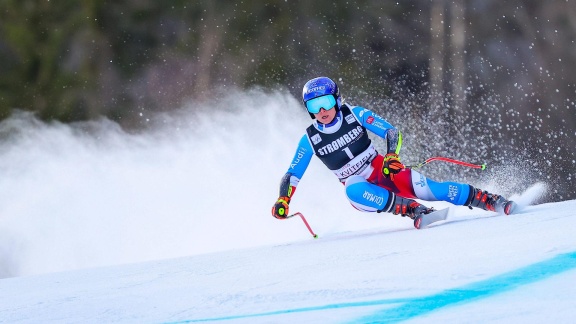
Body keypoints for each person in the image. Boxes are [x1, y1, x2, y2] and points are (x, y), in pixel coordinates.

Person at [271, 76, 516, 228]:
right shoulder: (310, 139)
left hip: (382, 168)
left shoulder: (354, 114)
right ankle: (412, 209)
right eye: (314, 106)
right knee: (352, 189)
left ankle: (488, 200)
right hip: (361, 188)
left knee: (433, 190)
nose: (322, 110)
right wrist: (284, 199)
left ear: (336, 100)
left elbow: (391, 132)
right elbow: (292, 175)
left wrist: (391, 156)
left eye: (326, 102)